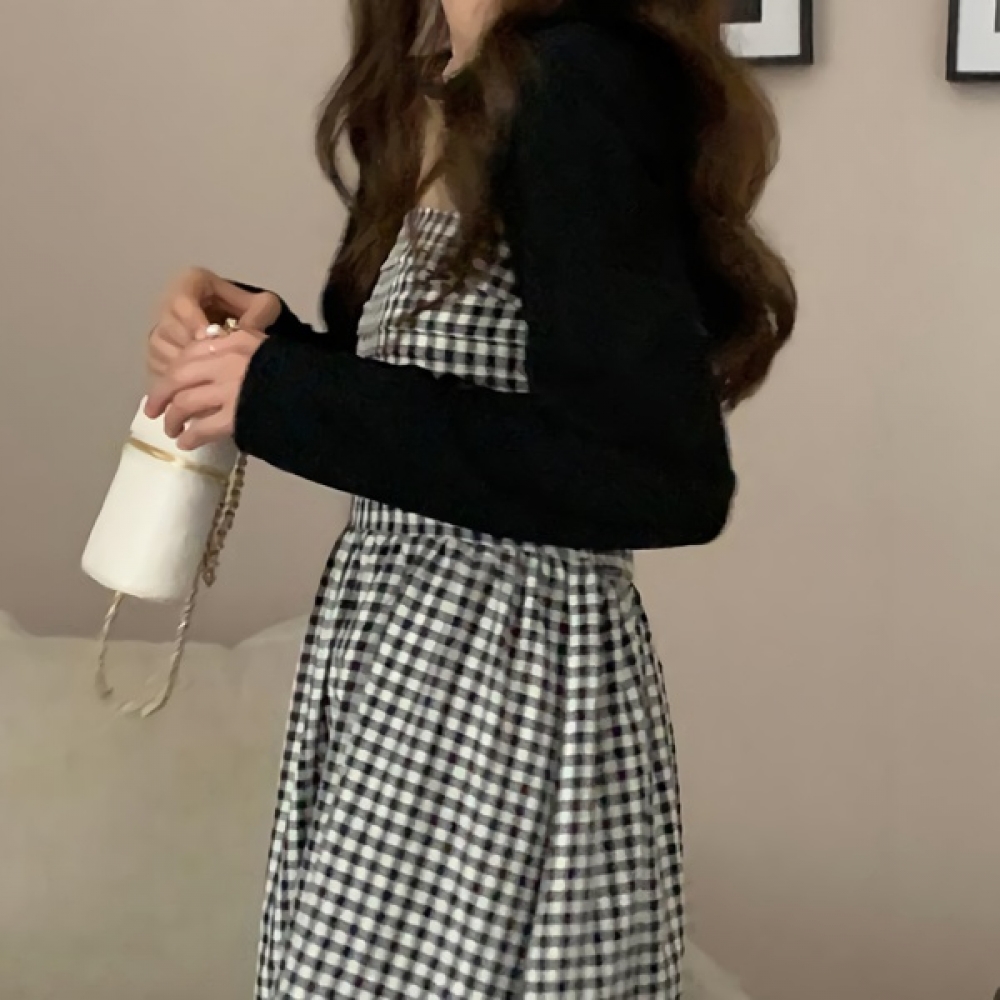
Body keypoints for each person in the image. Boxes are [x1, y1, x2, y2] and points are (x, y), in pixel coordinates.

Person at [146, 0, 795, 996]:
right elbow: (445, 416)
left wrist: (283, 394)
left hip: (505, 694)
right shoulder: (446, 78)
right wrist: (266, 355)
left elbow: (657, 472)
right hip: (402, 675)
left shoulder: (573, 77)